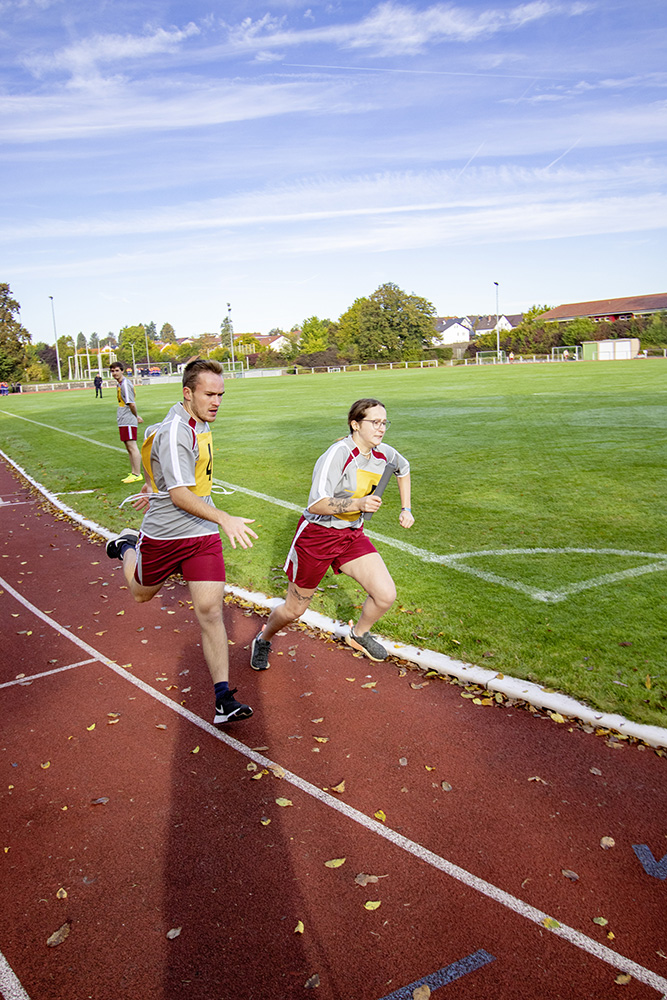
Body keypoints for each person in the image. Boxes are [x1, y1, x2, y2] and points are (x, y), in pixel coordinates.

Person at [105, 359, 258, 725]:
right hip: (166, 533)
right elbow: (179, 495)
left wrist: (151, 482)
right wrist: (224, 517)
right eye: (209, 394)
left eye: (220, 394)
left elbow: (158, 450)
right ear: (187, 393)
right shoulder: (177, 430)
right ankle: (128, 545)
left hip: (201, 534)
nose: (217, 400)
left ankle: (223, 699)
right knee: (141, 594)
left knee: (210, 611)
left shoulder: (196, 421)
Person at [250, 397, 414, 671]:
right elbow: (315, 503)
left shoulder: (384, 453)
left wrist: (406, 507)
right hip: (317, 537)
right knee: (294, 610)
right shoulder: (337, 453)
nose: (381, 428)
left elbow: (404, 468)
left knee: (385, 595)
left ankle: (359, 634)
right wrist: (358, 504)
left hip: (350, 535)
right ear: (355, 424)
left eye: (384, 422)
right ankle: (264, 638)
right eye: (374, 422)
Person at [110, 361, 143, 484]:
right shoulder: (120, 384)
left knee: (132, 446)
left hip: (128, 418)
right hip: (124, 418)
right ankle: (134, 472)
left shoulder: (125, 384)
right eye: (112, 371)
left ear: (122, 371)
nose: (114, 373)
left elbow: (131, 403)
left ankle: (137, 474)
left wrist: (135, 416)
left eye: (117, 370)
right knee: (128, 446)